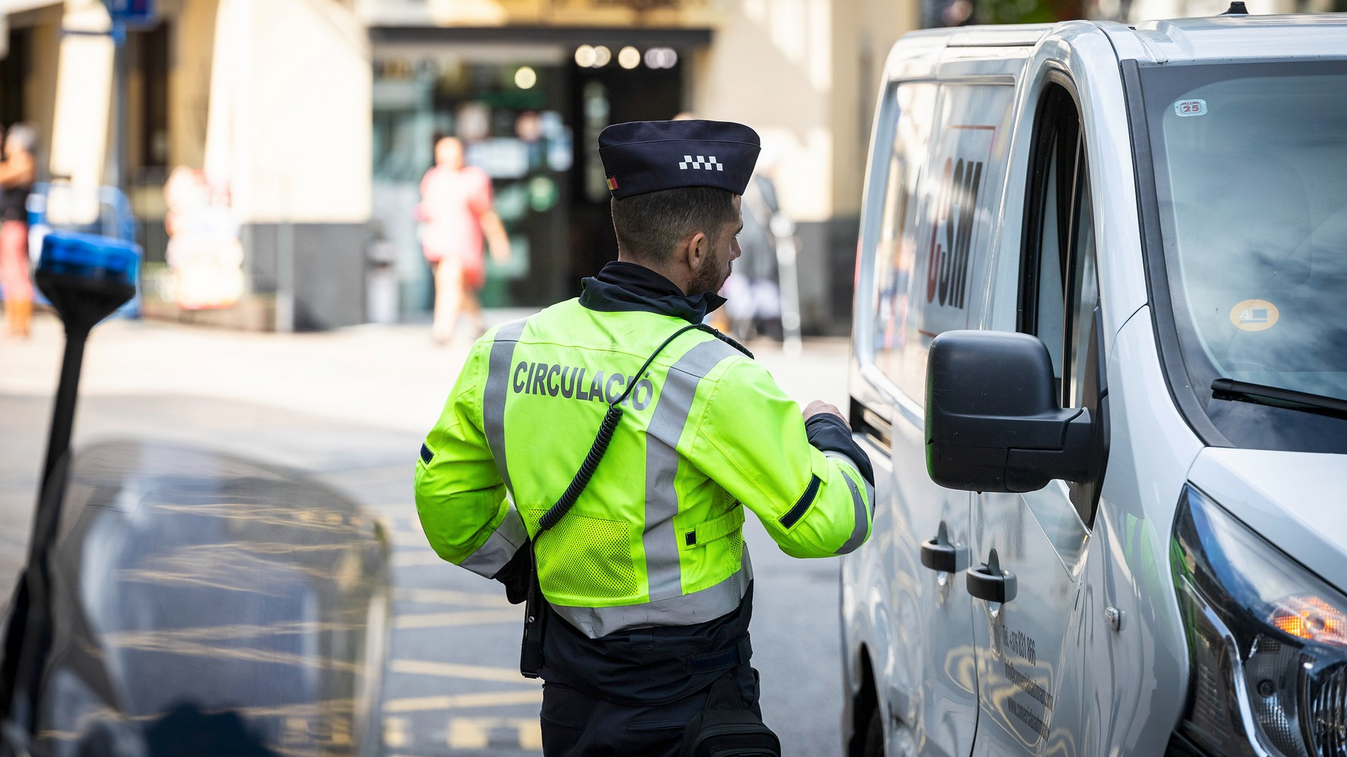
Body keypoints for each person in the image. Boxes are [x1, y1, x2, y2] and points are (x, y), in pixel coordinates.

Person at [413, 119, 875, 757]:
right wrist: (828, 433)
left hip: (571, 697)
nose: (736, 252)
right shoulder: (715, 377)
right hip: (692, 703)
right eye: (732, 236)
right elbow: (827, 526)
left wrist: (535, 563)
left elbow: (447, 505)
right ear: (694, 248)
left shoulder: (505, 352)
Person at [417, 135, 510, 345]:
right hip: (439, 241)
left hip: (464, 242)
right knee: (458, 285)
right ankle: (477, 322)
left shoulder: (474, 178)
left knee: (449, 280)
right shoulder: (433, 177)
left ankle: (442, 330)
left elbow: (486, 212)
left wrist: (498, 241)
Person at [0, 123, 36, 339]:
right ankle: (14, 322)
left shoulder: (25, 161)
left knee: (17, 274)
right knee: (8, 274)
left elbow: (5, 175)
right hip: (7, 224)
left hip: (16, 225)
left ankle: (22, 324)